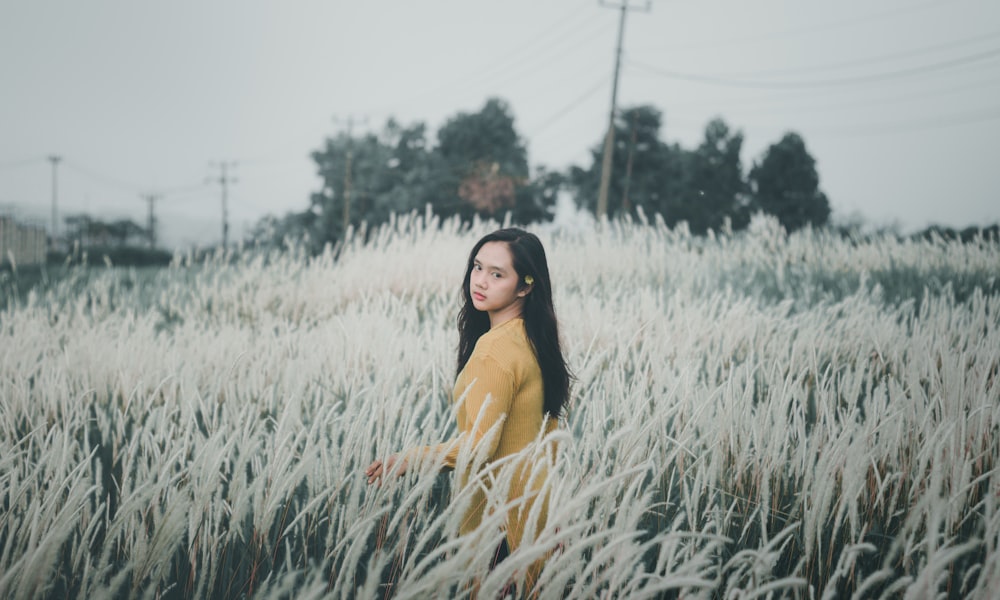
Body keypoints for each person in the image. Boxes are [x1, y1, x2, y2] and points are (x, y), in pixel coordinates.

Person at [365, 227, 571, 594]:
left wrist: (410, 458)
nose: (481, 281)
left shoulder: (494, 351)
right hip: (538, 514)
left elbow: (478, 446)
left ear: (525, 287)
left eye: (497, 274)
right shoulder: (534, 339)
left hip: (499, 525)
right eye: (478, 267)